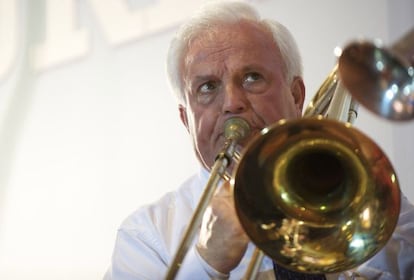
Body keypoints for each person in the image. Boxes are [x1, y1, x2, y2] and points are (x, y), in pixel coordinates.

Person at [104, 1, 414, 279]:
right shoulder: (146, 236)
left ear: (295, 97)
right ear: (187, 120)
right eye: (208, 87)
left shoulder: (368, 195)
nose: (232, 103)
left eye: (252, 77)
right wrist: (207, 263)